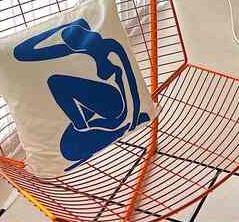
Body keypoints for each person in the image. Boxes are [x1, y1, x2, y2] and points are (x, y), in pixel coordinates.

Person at [13, 17, 151, 164]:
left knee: (56, 82)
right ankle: (92, 129)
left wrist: (133, 119)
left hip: (117, 106)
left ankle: (91, 128)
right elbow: (21, 53)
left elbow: (131, 81)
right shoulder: (74, 49)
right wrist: (62, 28)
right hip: (96, 106)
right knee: (67, 148)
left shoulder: (110, 46)